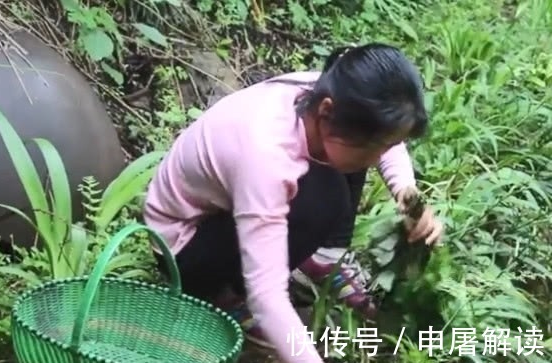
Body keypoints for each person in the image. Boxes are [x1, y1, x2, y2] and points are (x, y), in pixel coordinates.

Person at [143, 43, 444, 363]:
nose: (378, 158)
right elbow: (267, 295)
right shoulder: (265, 156)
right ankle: (223, 296)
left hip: (228, 205)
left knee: (340, 170)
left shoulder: (335, 97)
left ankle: (324, 258)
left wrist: (408, 196)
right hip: (185, 245)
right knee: (324, 199)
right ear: (327, 111)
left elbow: (385, 137)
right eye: (376, 146)